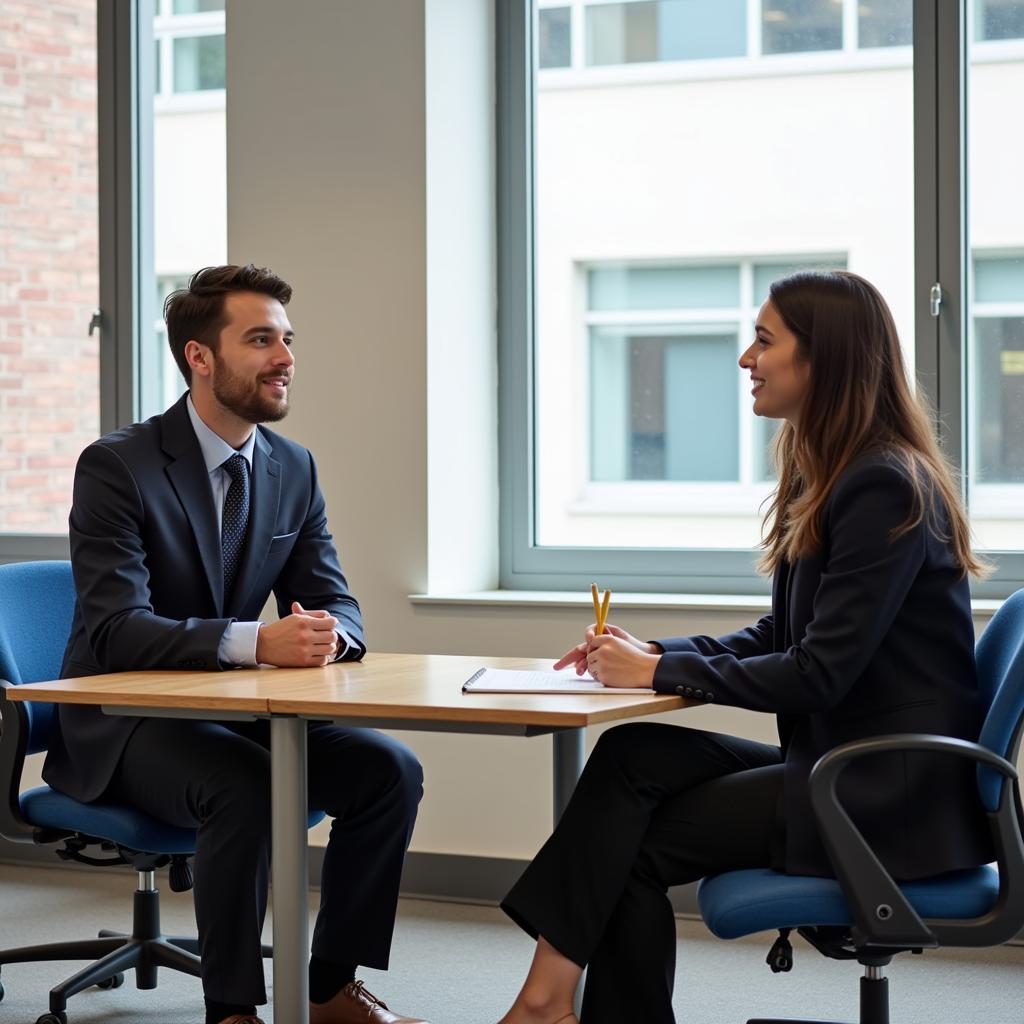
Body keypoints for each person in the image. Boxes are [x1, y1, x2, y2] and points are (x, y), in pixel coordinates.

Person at [496, 270, 994, 1024]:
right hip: (846, 765)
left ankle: (544, 1004)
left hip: (885, 794)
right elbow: (783, 637)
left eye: (764, 340)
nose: (744, 358)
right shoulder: (830, 474)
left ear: (823, 358)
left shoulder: (883, 486)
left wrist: (663, 670)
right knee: (631, 760)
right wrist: (655, 650)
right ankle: (548, 1003)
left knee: (628, 846)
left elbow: (818, 672)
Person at [43, 265, 428, 1024]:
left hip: (231, 713)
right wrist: (258, 641)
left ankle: (327, 989)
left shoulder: (291, 467)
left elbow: (336, 596)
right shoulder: (119, 466)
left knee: (389, 770)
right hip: (124, 724)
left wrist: (330, 635)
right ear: (200, 357)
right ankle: (233, 1011)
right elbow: (116, 628)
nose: (284, 358)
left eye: (287, 339)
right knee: (245, 785)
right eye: (260, 340)